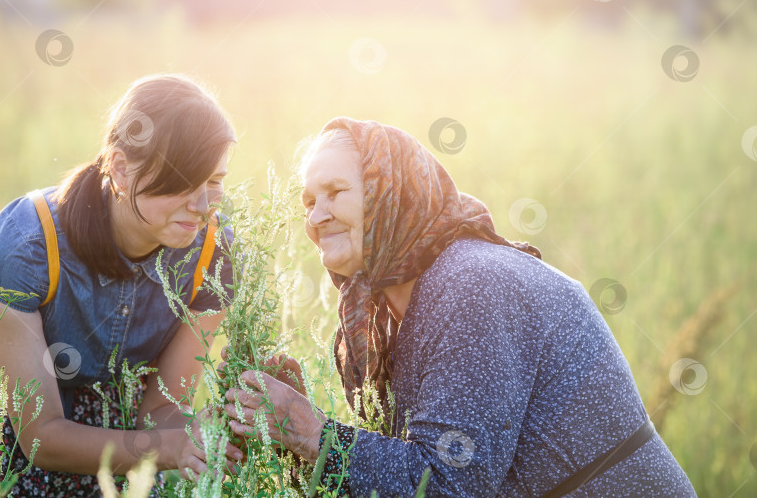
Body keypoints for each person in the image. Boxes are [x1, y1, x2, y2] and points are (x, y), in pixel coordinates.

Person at [221, 117, 697, 497]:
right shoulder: (388, 315)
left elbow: (449, 484)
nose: (316, 216)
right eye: (307, 202)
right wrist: (290, 436)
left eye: (335, 192)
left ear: (391, 192)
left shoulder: (471, 285)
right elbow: (401, 474)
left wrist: (312, 432)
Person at [0, 74, 245, 495]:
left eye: (214, 182)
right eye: (182, 181)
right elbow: (39, 437)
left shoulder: (216, 254)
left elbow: (159, 411)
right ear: (121, 169)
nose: (201, 207)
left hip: (114, 404)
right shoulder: (24, 244)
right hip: (6, 407)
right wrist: (170, 447)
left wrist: (202, 433)